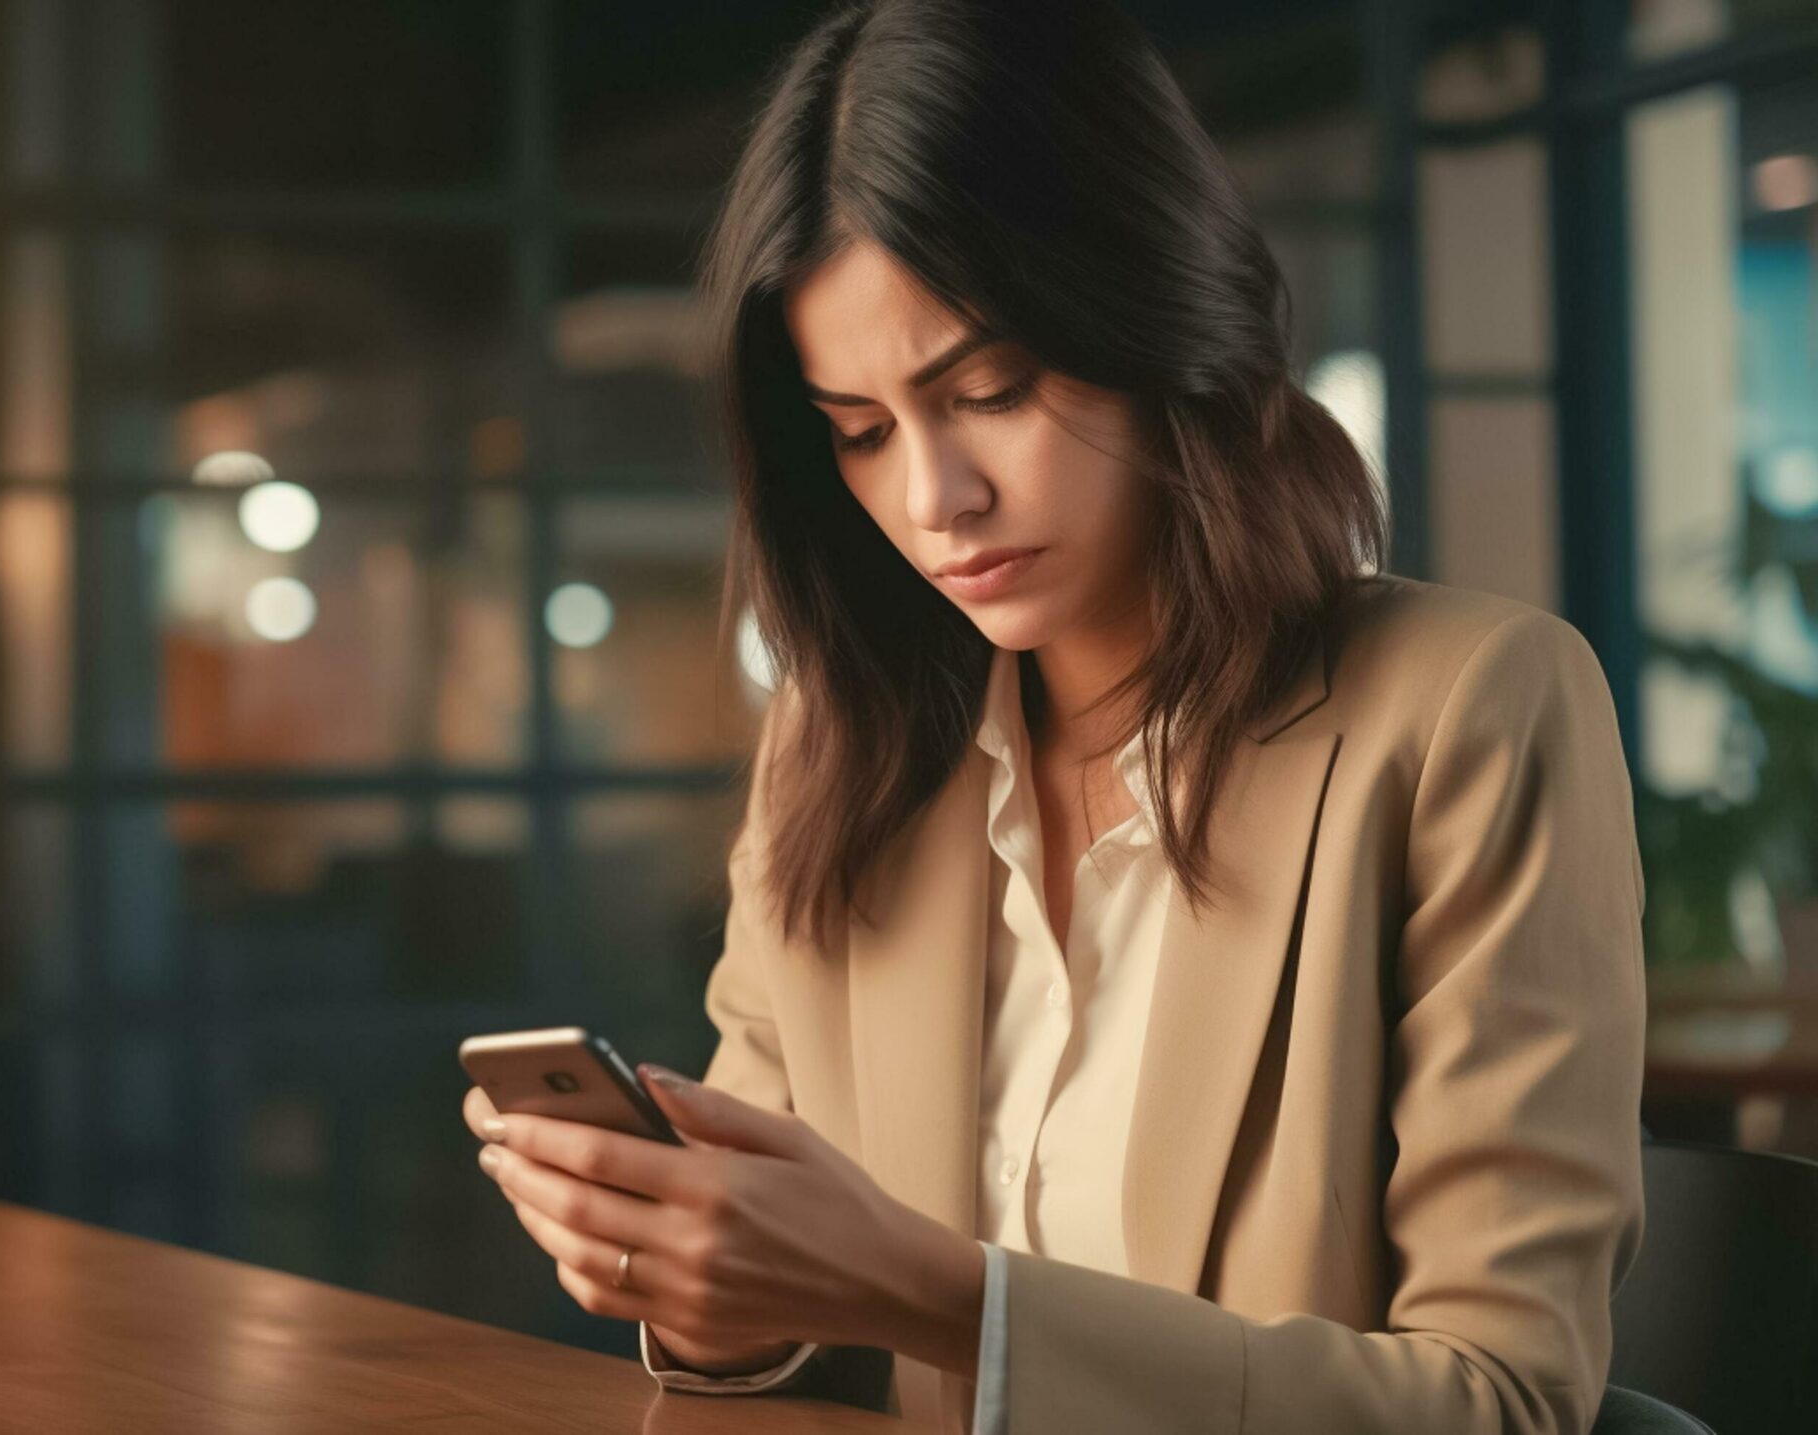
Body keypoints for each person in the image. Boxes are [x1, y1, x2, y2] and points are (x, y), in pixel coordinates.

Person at [460, 2, 1643, 1432]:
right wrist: (711, 1291)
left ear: (1157, 322)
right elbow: (796, 1352)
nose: (931, 498)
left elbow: (1501, 1400)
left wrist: (945, 1296)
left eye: (991, 391)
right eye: (861, 429)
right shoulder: (842, 746)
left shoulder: (1469, 712)